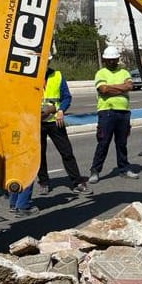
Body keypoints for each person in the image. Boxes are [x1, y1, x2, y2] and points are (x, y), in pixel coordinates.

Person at [38, 61, 93, 195]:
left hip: (55, 121)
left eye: (46, 61)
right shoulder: (29, 78)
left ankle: (77, 182)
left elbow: (66, 97)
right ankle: (43, 182)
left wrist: (60, 110)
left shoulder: (57, 76)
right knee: (39, 154)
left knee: (66, 152)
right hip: (36, 122)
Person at [88, 46, 138, 183]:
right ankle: (95, 170)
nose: (111, 62)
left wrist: (112, 88)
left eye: (113, 59)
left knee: (122, 143)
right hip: (107, 112)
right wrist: (120, 88)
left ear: (117, 59)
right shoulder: (101, 73)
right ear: (104, 60)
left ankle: (124, 168)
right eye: (108, 60)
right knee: (103, 142)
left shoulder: (124, 72)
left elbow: (129, 86)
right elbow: (103, 90)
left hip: (123, 112)